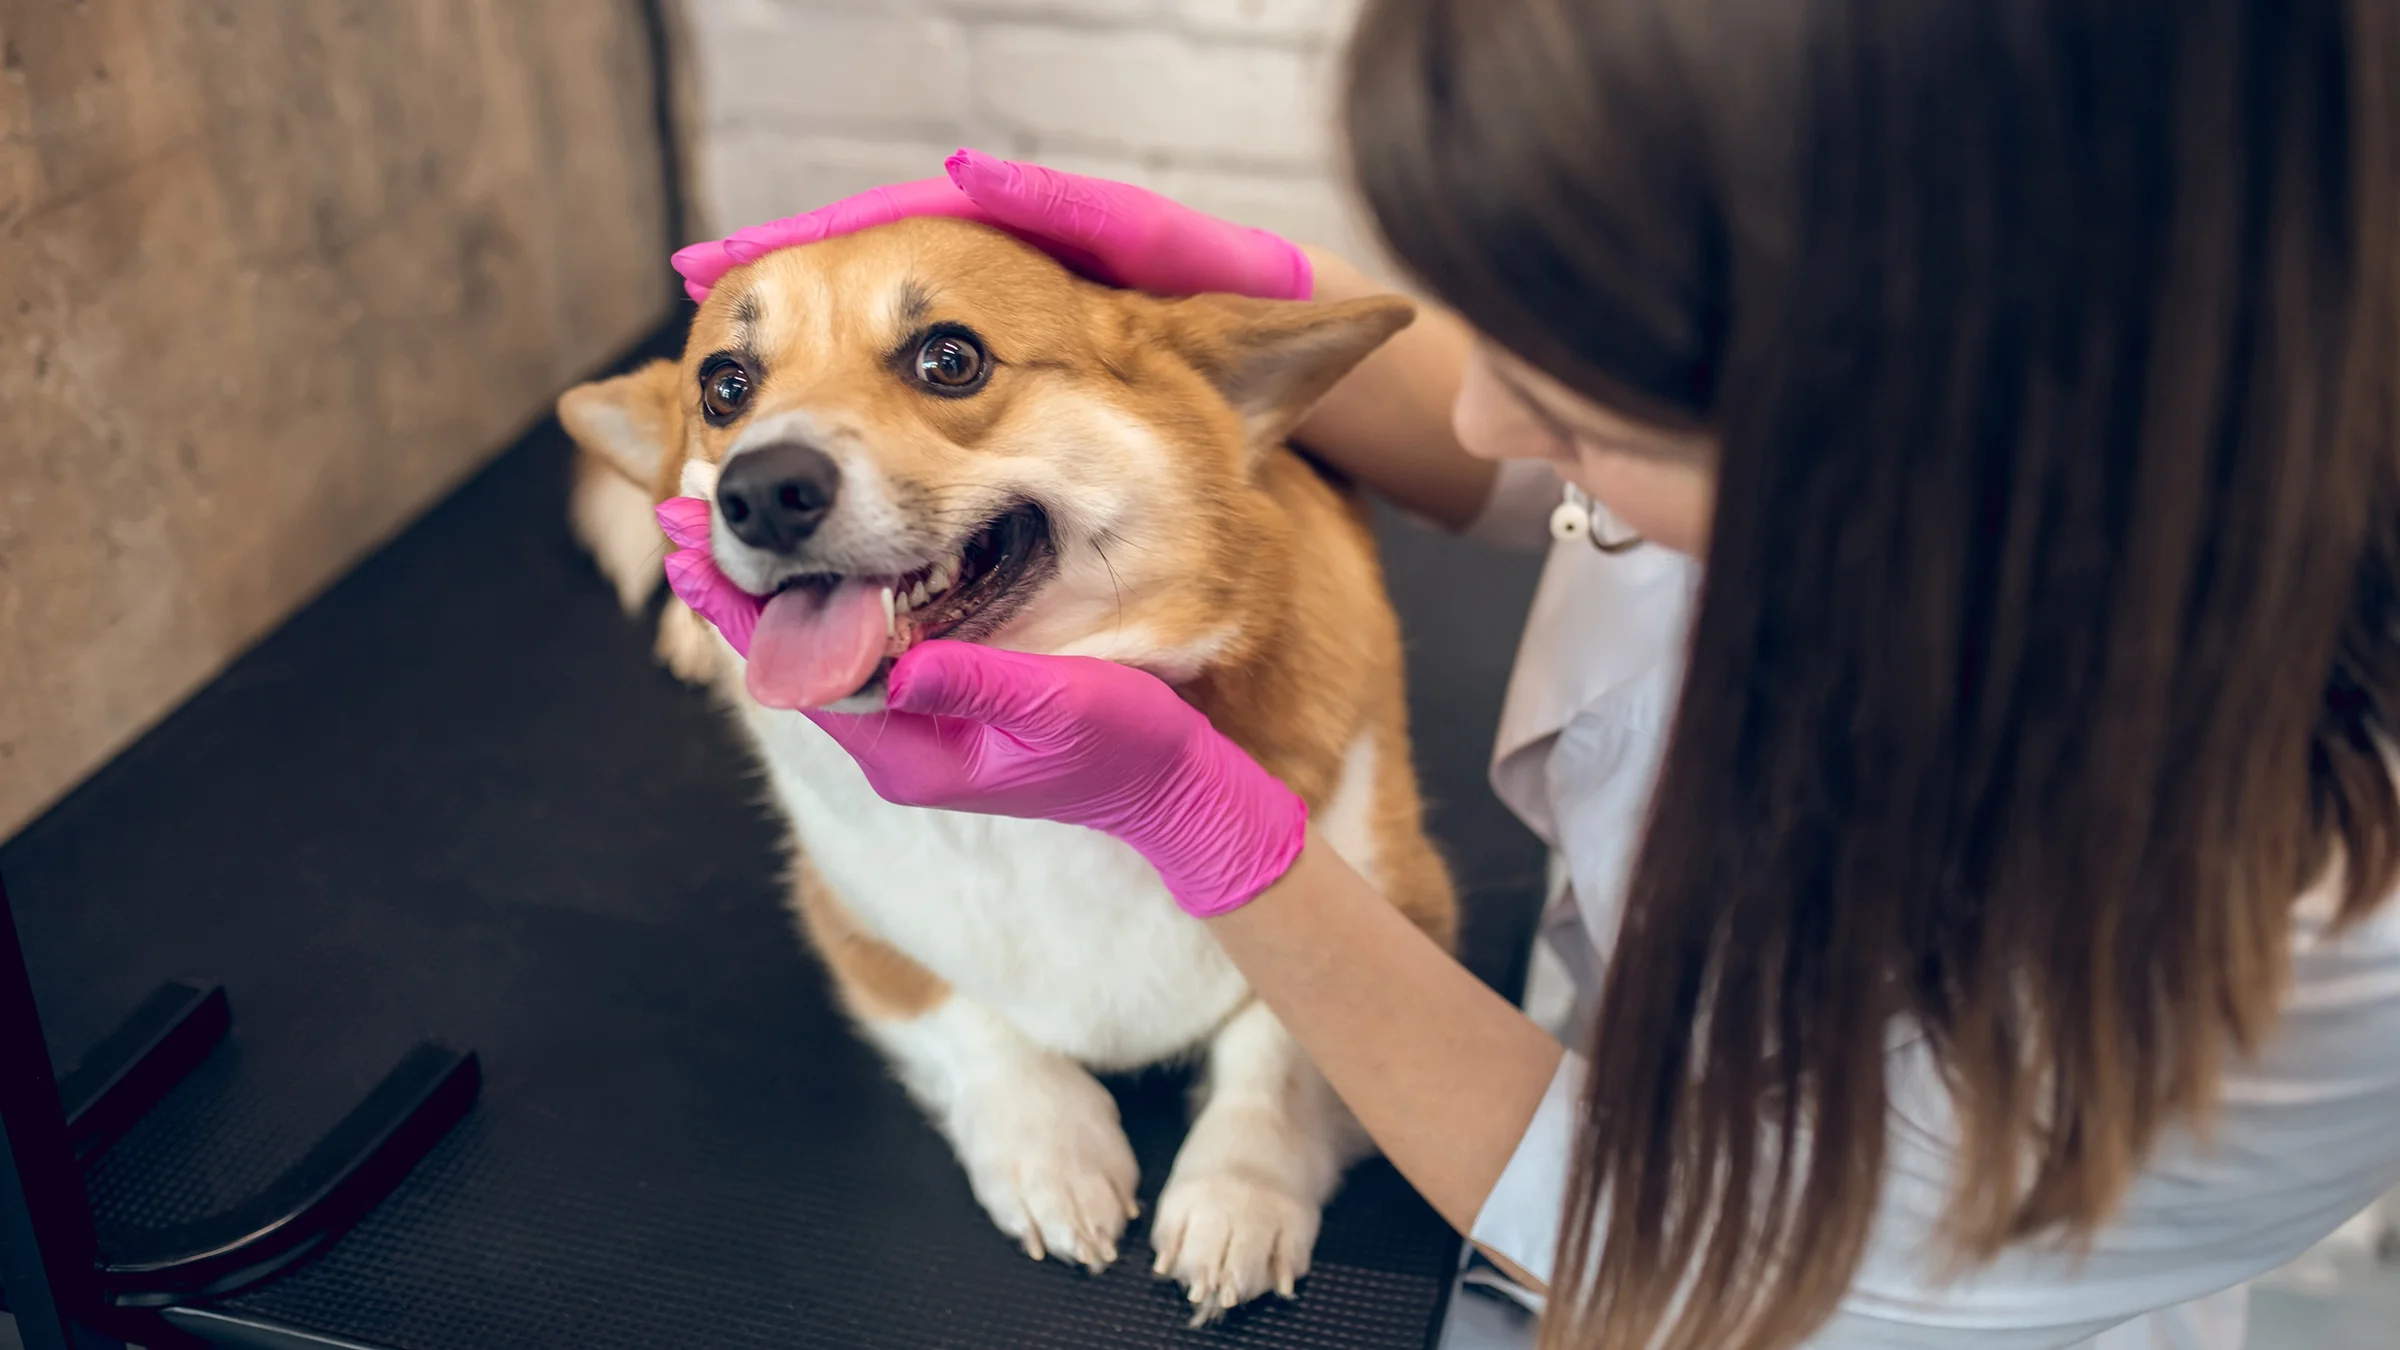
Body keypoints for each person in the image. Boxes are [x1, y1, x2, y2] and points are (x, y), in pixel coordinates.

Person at [659, 1, 2400, 1346]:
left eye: (1579, 389)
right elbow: (1509, 464)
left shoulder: (2320, 948)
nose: (1490, 416)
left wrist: (1200, 816)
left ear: (1918, 409)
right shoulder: (1974, 449)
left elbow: (1677, 1231)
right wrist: (1231, 299)